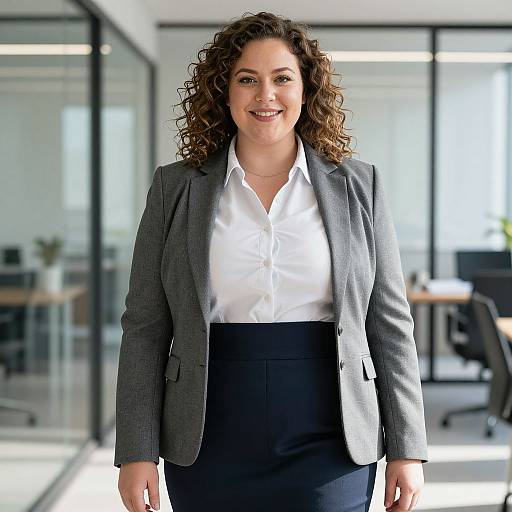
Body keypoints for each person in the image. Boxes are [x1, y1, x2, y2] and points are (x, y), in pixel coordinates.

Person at [115, 11, 428, 512]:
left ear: (306, 91)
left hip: (332, 428)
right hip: (207, 429)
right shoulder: (175, 189)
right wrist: (137, 451)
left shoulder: (359, 186)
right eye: (247, 80)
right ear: (225, 92)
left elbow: (389, 323)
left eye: (282, 78)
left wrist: (408, 448)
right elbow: (146, 327)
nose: (266, 95)